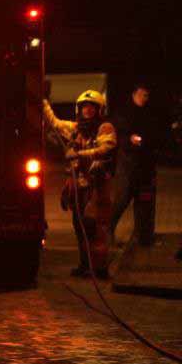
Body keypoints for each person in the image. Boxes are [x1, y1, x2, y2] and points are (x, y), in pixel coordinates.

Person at [44, 91, 117, 278]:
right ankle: (85, 265)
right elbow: (55, 123)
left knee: (95, 228)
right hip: (79, 187)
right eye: (84, 107)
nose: (87, 110)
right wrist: (43, 102)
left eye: (92, 107)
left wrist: (79, 154)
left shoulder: (105, 128)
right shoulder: (75, 129)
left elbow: (106, 148)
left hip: (97, 187)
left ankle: (99, 269)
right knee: (80, 227)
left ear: (99, 110)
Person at [109, 84, 161, 247]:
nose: (144, 98)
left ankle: (144, 237)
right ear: (134, 94)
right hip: (128, 164)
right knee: (122, 199)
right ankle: (107, 232)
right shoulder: (123, 113)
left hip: (146, 165)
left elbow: (155, 135)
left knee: (145, 202)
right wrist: (129, 140)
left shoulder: (149, 113)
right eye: (141, 95)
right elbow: (116, 135)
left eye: (146, 96)